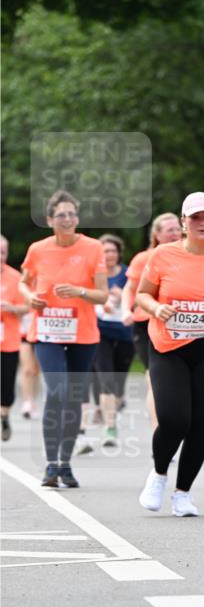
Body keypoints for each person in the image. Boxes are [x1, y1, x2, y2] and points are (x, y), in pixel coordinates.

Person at [136, 192, 204, 517]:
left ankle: (183, 493)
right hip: (168, 346)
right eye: (195, 217)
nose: (202, 223)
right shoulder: (163, 255)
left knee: (202, 423)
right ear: (184, 221)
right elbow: (142, 294)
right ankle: (158, 474)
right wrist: (157, 308)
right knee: (175, 418)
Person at [19, 191, 108, 487]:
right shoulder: (38, 249)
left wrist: (79, 291)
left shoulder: (93, 248)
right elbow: (23, 283)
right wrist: (30, 297)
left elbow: (102, 295)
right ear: (50, 220)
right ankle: (50, 464)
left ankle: (65, 464)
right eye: (61, 215)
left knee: (73, 397)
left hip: (83, 332)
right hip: (47, 331)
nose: (67, 219)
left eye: (72, 214)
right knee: (58, 390)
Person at [122, 212, 181, 430]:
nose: (175, 233)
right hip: (146, 323)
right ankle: (159, 430)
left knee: (178, 380)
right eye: (169, 230)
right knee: (154, 378)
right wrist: (125, 310)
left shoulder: (188, 256)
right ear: (157, 234)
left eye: (177, 228)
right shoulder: (143, 258)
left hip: (178, 324)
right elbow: (130, 289)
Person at [92, 234, 135, 447]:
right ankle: (110, 428)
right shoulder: (95, 275)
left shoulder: (128, 274)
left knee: (119, 381)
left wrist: (123, 296)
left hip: (125, 333)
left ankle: (111, 410)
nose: (109, 255)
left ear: (118, 253)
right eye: (105, 251)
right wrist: (102, 301)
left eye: (112, 251)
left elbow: (139, 297)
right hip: (100, 331)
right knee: (106, 378)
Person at [1, 235, 29, 441]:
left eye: (3, 252)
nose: (0, 256)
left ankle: (4, 416)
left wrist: (11, 308)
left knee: (6, 384)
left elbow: (27, 307)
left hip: (9, 339)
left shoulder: (15, 278)